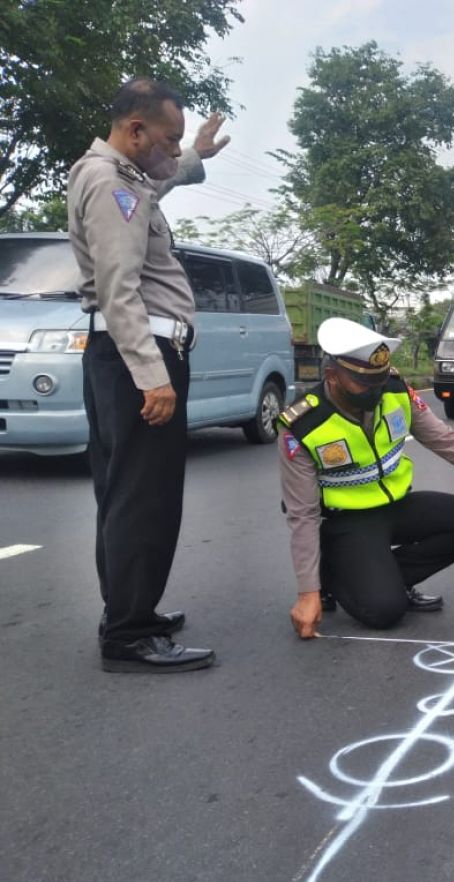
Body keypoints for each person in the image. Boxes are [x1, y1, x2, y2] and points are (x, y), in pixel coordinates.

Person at [68, 77, 230, 673]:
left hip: (121, 356)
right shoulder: (113, 184)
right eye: (169, 139)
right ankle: (129, 635)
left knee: (125, 494)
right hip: (139, 354)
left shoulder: (121, 177)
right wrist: (151, 374)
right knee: (145, 499)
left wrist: (194, 158)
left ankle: (128, 611)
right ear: (135, 130)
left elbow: (153, 184)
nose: (173, 149)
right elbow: (119, 289)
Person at [280, 318, 454, 638]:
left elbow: (444, 439)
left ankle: (380, 577)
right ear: (332, 375)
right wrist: (308, 593)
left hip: (395, 506)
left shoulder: (394, 390)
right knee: (384, 611)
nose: (375, 390)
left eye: (379, 379)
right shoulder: (303, 424)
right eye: (364, 382)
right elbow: (302, 513)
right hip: (346, 521)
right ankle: (331, 575)